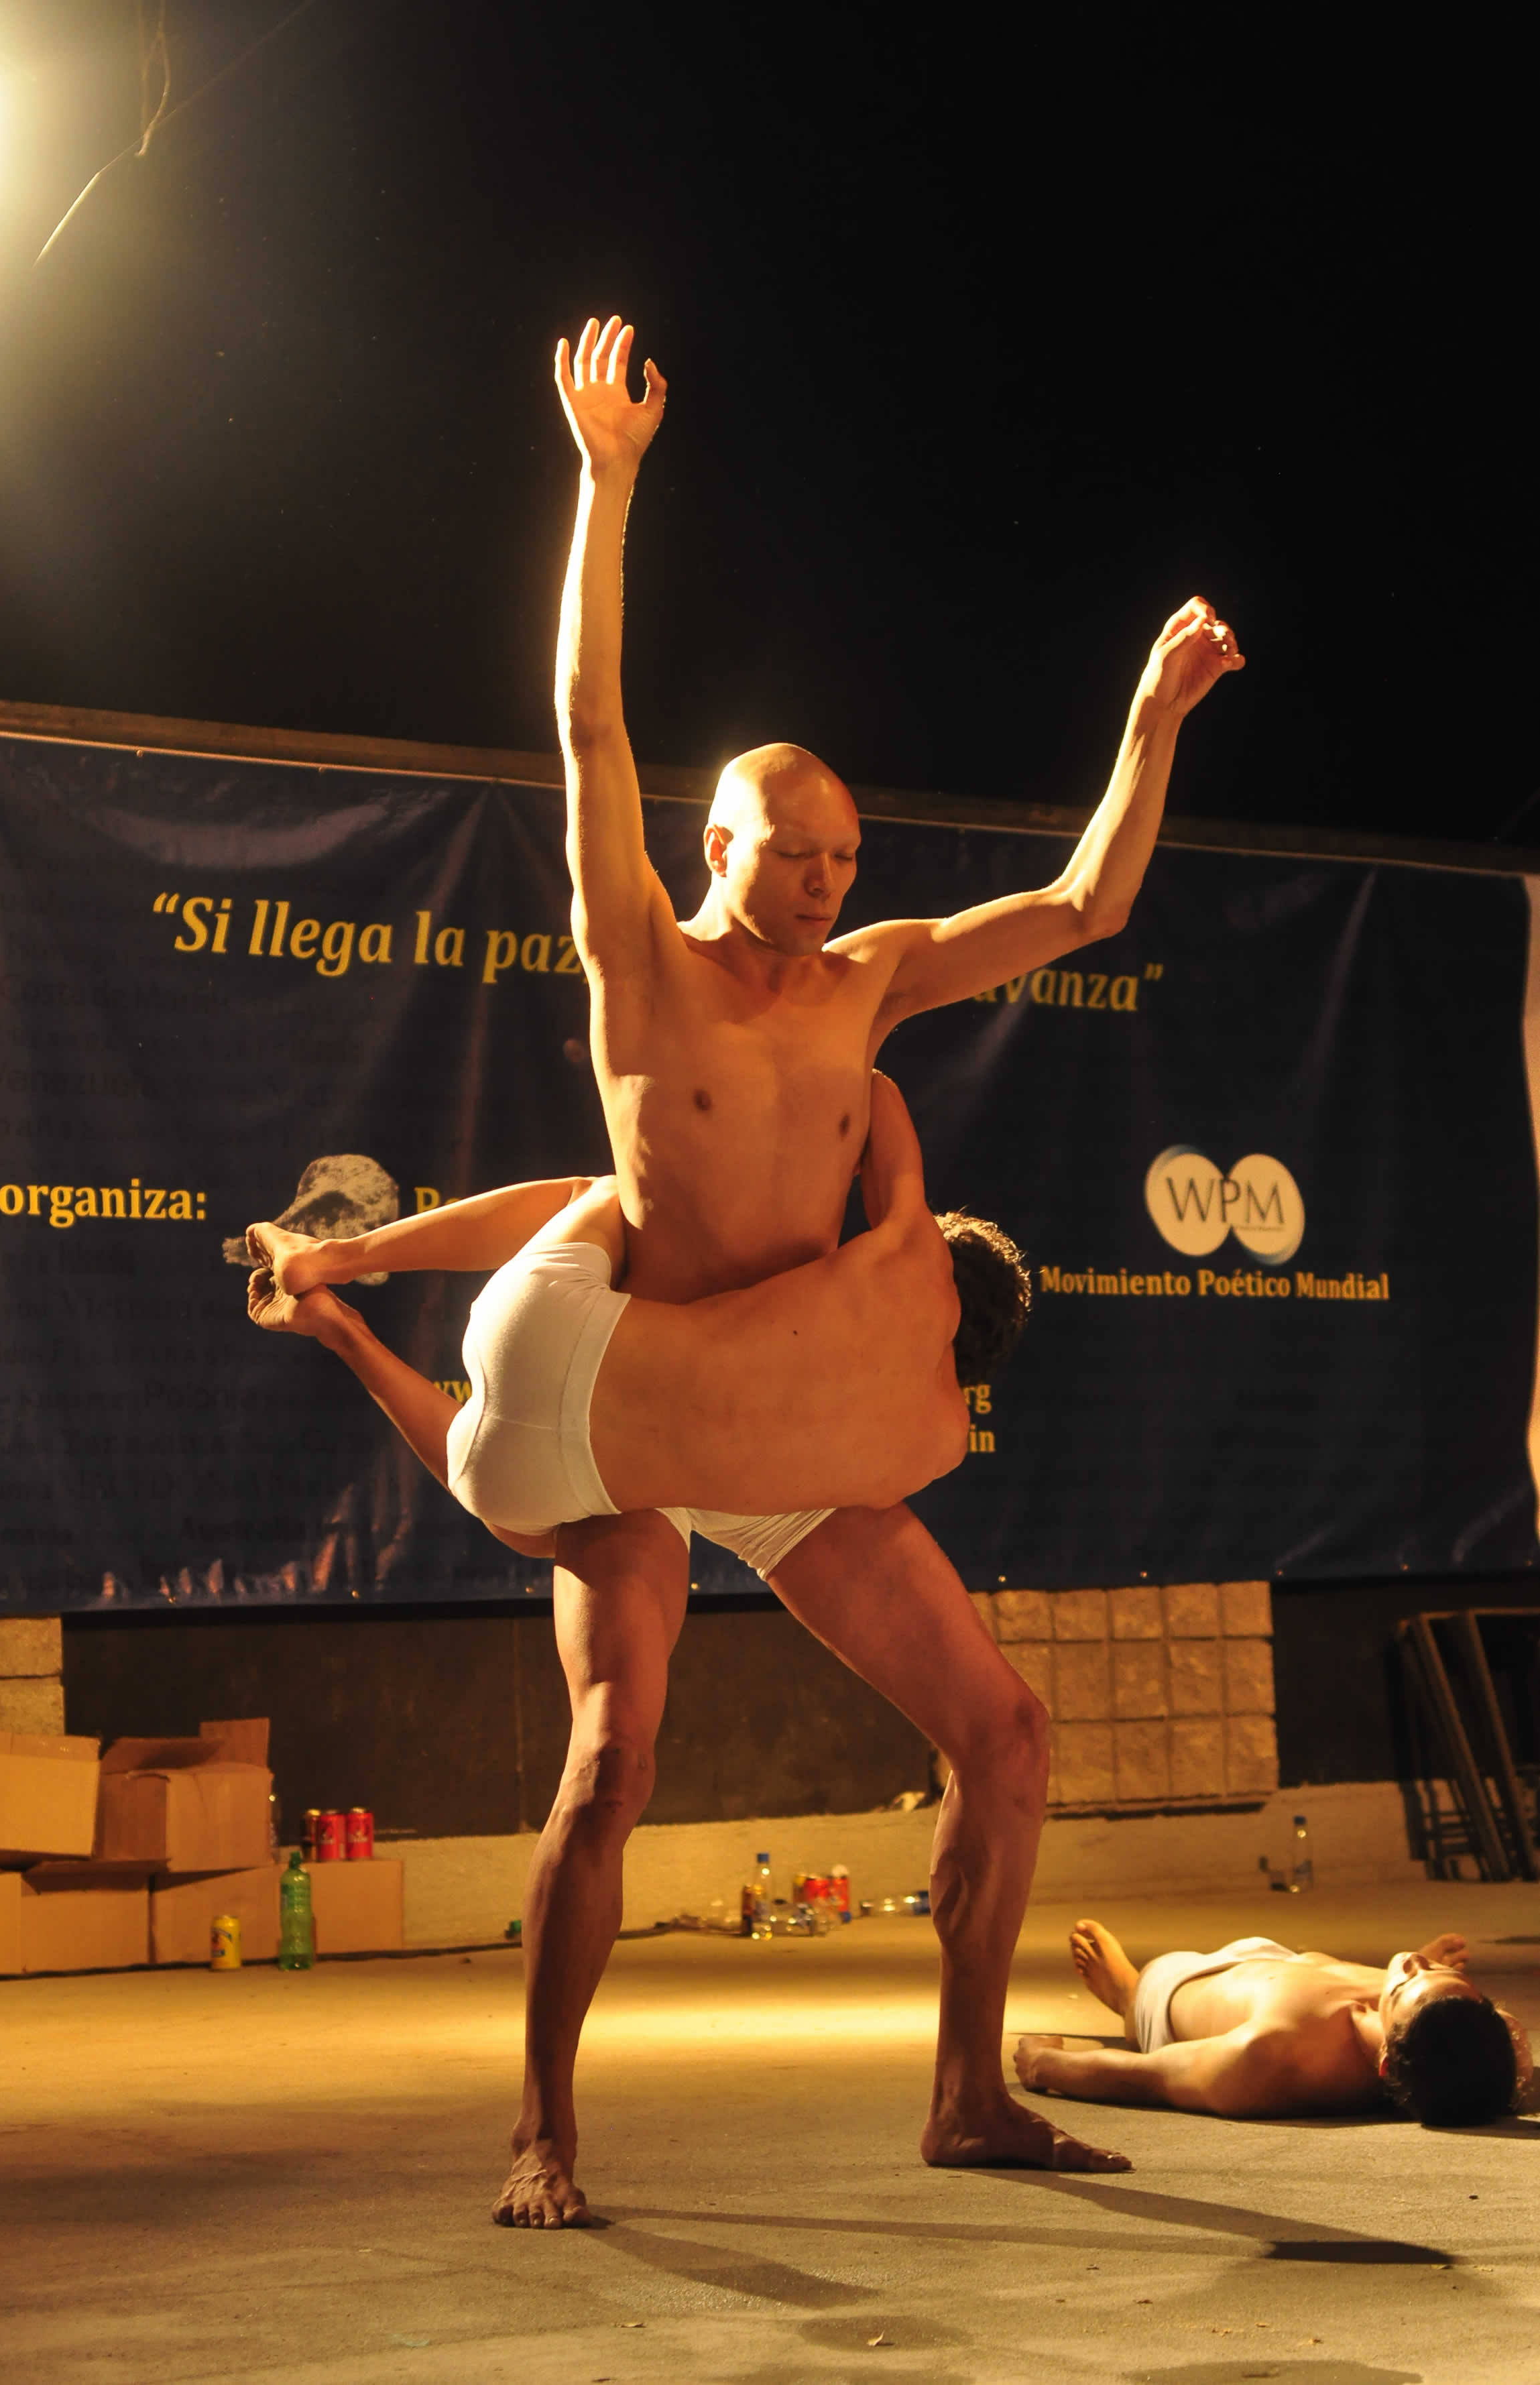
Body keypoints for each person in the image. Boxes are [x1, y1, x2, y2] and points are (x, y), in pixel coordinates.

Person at [491, 311, 1246, 2228]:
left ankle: (968, 2091)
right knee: (613, 1760)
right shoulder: (638, 957)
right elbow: (587, 720)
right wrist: (607, 485)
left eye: (845, 853)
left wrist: (1145, 729)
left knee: (1003, 1727)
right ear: (715, 835)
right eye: (792, 847)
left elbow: (1088, 902)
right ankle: (543, 2129)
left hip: (796, 1425)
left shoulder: (877, 975)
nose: (824, 879)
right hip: (644, 1397)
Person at [245, 1075, 1029, 1544]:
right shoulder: (939, 1447)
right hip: (512, 1494)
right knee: (526, 1476)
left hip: (544, 1334)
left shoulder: (911, 1262)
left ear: (942, 1266)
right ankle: (343, 1335)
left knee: (608, 1195)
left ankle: (334, 1258)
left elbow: (871, 1086)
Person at [1013, 1917, 1532, 2124]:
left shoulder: (1275, 2055)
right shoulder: (1459, 2046)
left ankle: (1125, 1993)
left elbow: (1154, 2076)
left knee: (1148, 1991)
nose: (1415, 1963)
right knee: (1422, 2000)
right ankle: (1420, 1997)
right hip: (1285, 1967)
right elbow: (1492, 2041)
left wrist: (1046, 2064)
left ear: (1387, 2057)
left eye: (1408, 1980)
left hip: (1182, 1989)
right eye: (1433, 1971)